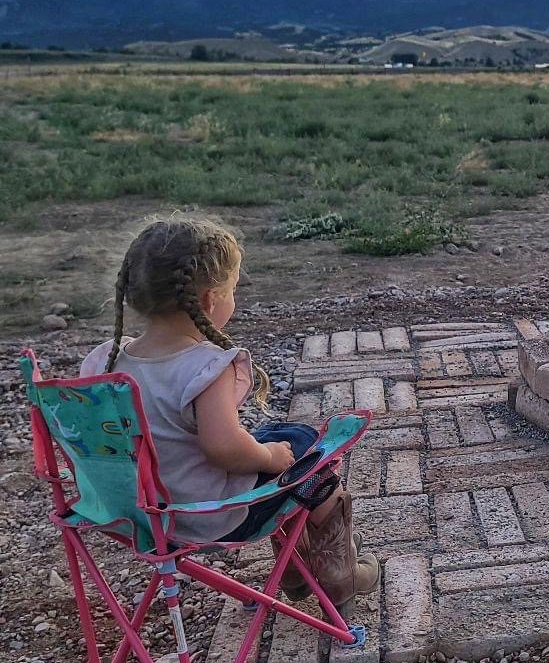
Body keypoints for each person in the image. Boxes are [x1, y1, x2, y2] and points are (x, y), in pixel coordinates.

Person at [77, 215, 379, 605]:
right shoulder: (204, 367)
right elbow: (223, 448)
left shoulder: (105, 363)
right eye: (233, 290)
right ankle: (338, 569)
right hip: (210, 516)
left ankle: (297, 566)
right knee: (302, 444)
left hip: (136, 516)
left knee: (274, 443)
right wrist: (268, 455)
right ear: (208, 300)